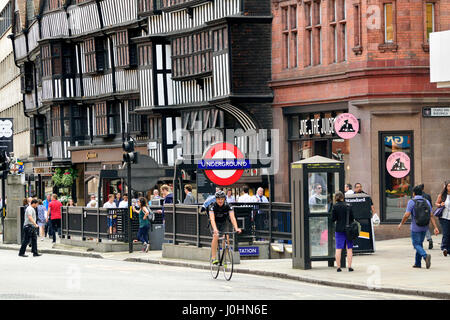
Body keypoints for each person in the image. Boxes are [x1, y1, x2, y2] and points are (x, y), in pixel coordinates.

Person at [398, 185, 439, 269]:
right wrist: (435, 227)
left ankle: (425, 256)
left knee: (416, 244)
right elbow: (431, 215)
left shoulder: (412, 201)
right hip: (424, 226)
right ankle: (417, 263)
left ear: (413, 193)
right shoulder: (426, 201)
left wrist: (401, 223)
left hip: (415, 227)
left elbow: (407, 215)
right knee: (419, 244)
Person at [209, 190, 242, 265]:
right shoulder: (212, 206)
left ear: (224, 199)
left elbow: (232, 217)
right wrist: (215, 229)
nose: (220, 201)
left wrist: (236, 228)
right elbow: (212, 219)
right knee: (216, 236)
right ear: (216, 199)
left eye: (222, 199)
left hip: (224, 222)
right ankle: (213, 258)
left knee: (226, 238)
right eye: (218, 199)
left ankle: (224, 258)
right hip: (215, 223)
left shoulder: (228, 205)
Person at [332, 191, 354, 272]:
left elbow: (333, 219)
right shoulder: (348, 206)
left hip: (339, 229)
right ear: (342, 197)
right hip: (348, 230)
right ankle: (350, 266)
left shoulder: (335, 207)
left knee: (338, 248)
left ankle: (338, 267)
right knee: (349, 248)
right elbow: (352, 218)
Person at [435, 181, 450, 256]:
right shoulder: (442, 195)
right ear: (446, 187)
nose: (449, 188)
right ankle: (444, 247)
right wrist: (440, 204)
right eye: (448, 186)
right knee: (446, 233)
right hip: (444, 217)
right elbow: (436, 203)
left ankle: (449, 249)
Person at [418, 184, 434, 249]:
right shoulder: (428, 196)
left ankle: (420, 242)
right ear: (423, 188)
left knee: (418, 228)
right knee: (425, 227)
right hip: (427, 214)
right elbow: (431, 206)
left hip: (419, 214)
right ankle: (429, 238)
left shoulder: (417, 196)